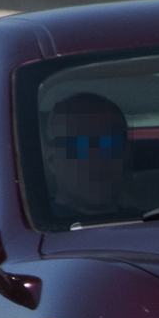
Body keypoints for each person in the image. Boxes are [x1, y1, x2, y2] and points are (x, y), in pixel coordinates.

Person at [43, 90, 129, 222]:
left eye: (109, 143)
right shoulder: (39, 230)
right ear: (52, 160)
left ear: (124, 154)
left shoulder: (151, 225)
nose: (97, 157)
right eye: (80, 145)